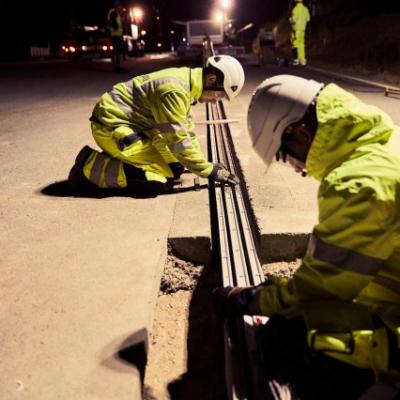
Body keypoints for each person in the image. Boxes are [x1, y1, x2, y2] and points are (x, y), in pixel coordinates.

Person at [213, 74, 400, 399]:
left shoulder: (359, 183)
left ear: (301, 132)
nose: (297, 168)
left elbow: (319, 288)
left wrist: (250, 299)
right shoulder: (386, 142)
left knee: (292, 337)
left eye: (286, 155)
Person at [67, 55, 245, 196]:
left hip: (134, 125)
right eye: (219, 95)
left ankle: (122, 158)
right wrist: (208, 171)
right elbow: (178, 140)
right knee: (158, 182)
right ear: (212, 79)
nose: (216, 101)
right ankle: (87, 167)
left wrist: (204, 164)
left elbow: (186, 131)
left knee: (176, 168)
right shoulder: (174, 91)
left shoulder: (187, 83)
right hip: (111, 127)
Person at [289, 0, 310, 66]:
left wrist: (290, 19)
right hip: (303, 30)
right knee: (301, 45)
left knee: (295, 44)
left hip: (296, 30)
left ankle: (296, 60)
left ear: (296, 2)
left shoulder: (295, 9)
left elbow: (294, 20)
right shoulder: (305, 9)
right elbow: (308, 19)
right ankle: (302, 60)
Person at [107, 0, 126, 71]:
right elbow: (112, 23)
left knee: (118, 51)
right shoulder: (113, 13)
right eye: (120, 6)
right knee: (118, 51)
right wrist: (115, 28)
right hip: (115, 34)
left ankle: (118, 66)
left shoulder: (116, 13)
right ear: (117, 6)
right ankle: (117, 67)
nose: (121, 7)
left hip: (117, 34)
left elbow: (120, 23)